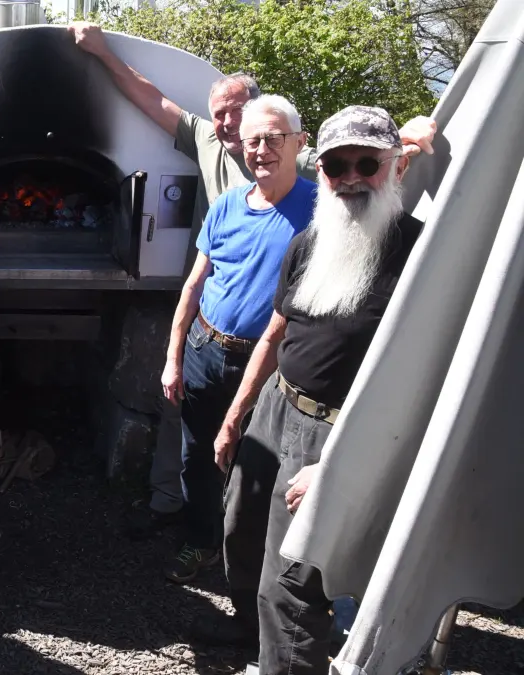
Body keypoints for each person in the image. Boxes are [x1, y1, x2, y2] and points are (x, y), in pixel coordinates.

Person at [67, 20, 438, 544]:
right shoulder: (212, 148)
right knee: (191, 440)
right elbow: (151, 100)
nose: (233, 128)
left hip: (268, 350)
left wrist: (410, 141)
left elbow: (359, 174)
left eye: (242, 115)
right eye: (224, 117)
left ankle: (242, 546)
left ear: (284, 136)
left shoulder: (310, 177)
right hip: (206, 337)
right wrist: (102, 52)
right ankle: (182, 519)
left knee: (248, 451)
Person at [215, 106, 423, 673]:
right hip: (277, 408)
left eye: (367, 163)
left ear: (396, 167)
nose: (352, 177)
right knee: (240, 530)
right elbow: (279, 331)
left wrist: (341, 462)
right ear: (322, 171)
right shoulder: (310, 241)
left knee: (292, 586)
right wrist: (237, 414)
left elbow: (420, 384)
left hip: (338, 430)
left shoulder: (419, 259)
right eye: (337, 165)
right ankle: (253, 643)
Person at [159, 95, 316, 588]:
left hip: (271, 366)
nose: (262, 150)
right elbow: (194, 283)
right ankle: (200, 542)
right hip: (206, 350)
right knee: (197, 457)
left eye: (274, 139)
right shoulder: (227, 205)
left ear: (298, 143)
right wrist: (174, 356)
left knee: (257, 468)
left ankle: (249, 569)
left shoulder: (319, 209)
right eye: (253, 141)